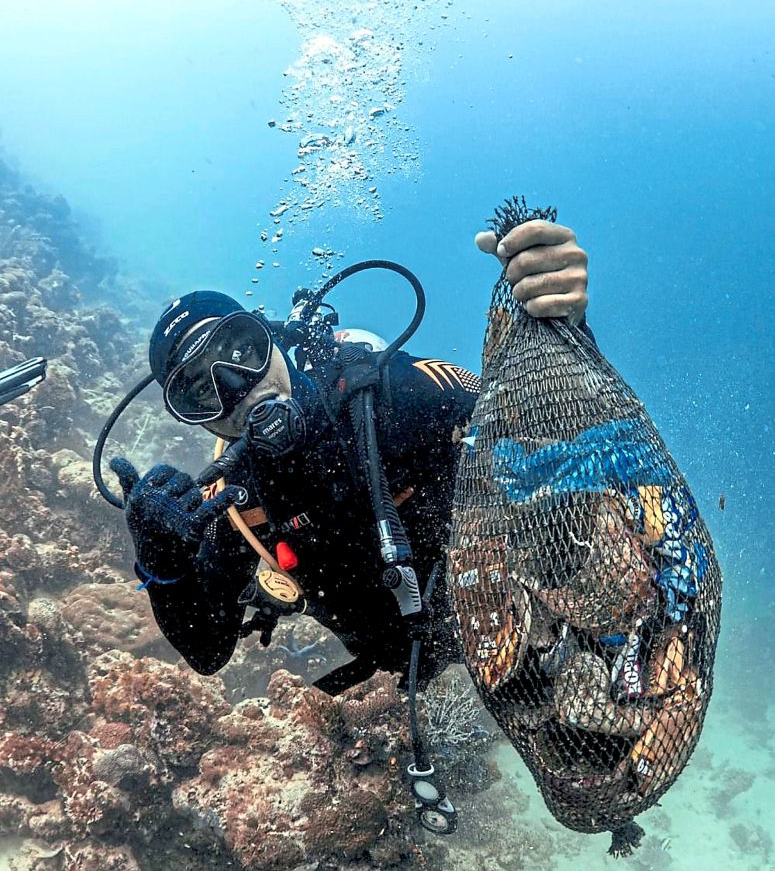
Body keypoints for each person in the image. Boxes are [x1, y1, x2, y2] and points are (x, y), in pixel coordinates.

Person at [110, 220, 589, 695]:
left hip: (528, 619)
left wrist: (564, 329)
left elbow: (550, 427)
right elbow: (207, 652)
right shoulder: (232, 504)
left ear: (271, 338)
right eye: (199, 390)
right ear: (195, 418)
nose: (237, 386)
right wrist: (163, 566)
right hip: (404, 667)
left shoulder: (390, 392)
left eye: (241, 350)